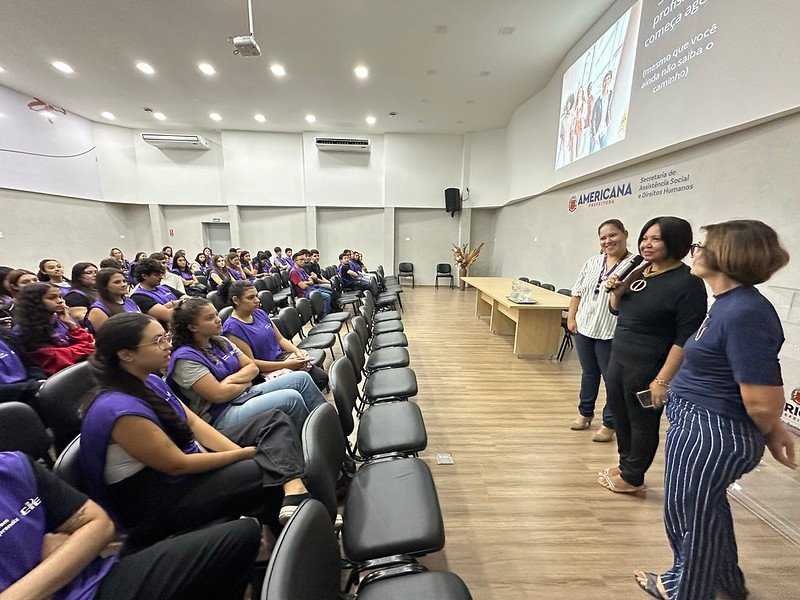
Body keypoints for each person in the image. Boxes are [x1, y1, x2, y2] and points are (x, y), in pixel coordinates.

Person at [634, 220, 795, 600]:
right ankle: (724, 581)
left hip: (713, 431)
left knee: (688, 518)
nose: (693, 251)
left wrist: (772, 430)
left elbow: (762, 397)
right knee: (704, 512)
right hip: (701, 425)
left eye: (699, 246)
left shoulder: (746, 312)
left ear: (725, 255)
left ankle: (686, 589)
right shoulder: (728, 305)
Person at [0, 450, 262, 600]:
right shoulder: (116, 408)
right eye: (156, 347)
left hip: (96, 581)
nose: (167, 349)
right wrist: (63, 549)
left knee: (242, 536)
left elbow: (100, 525)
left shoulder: (13, 465)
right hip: (83, 575)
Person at [599, 216, 707, 493]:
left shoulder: (688, 283)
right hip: (620, 358)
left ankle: (634, 477)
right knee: (620, 415)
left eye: (655, 238)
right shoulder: (641, 271)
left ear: (676, 242)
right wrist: (617, 293)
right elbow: (617, 310)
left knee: (642, 421)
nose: (647, 244)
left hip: (649, 366)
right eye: (645, 237)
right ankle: (626, 465)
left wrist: (661, 381)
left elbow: (686, 338)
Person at [166, 297, 323, 435]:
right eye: (209, 318)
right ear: (193, 327)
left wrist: (231, 382)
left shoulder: (220, 341)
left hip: (241, 394)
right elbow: (218, 395)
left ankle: (329, 431)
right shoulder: (185, 359)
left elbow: (252, 368)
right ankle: (314, 449)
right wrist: (244, 381)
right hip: (219, 415)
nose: (218, 319)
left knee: (301, 379)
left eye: (216, 314)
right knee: (291, 399)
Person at [567, 219, 636, 442]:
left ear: (625, 234)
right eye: (603, 237)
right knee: (588, 373)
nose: (608, 241)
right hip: (586, 326)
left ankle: (610, 423)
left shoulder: (635, 265)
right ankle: (585, 413)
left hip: (612, 331)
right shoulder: (593, 262)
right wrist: (572, 316)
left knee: (612, 379)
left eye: (613, 235)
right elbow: (578, 291)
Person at [220, 280, 329, 392]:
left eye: (256, 296)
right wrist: (286, 365)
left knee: (321, 378)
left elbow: (280, 339)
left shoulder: (259, 313)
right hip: (264, 372)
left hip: (282, 360)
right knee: (308, 385)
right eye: (251, 297)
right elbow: (252, 363)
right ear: (236, 300)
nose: (257, 300)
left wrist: (297, 352)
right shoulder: (232, 328)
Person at [13, 282, 95, 376]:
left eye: (60, 296)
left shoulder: (63, 320)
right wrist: (86, 347)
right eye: (52, 298)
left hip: (80, 368)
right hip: (56, 377)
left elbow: (90, 342)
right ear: (35, 302)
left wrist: (71, 325)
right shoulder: (24, 331)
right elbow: (58, 358)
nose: (60, 301)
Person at [130, 258, 186, 327]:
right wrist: (177, 302)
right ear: (144, 276)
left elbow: (187, 298)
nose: (161, 277)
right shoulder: (138, 297)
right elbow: (168, 316)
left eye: (161, 274)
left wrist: (170, 305)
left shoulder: (165, 287)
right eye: (156, 275)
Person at [0, 327, 46, 407]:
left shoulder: (4, 334)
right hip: (8, 402)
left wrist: (39, 380)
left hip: (30, 390)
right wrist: (29, 388)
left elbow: (30, 365)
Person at [86, 267, 141, 333]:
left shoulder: (130, 301)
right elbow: (109, 337)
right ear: (104, 286)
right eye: (117, 282)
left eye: (124, 281)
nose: (123, 285)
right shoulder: (98, 310)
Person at [591, 70, 614, 152]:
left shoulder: (610, 94)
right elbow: (593, 117)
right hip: (596, 130)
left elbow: (608, 109)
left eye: (608, 79)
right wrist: (594, 133)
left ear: (610, 81)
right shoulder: (598, 96)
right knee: (591, 152)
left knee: (605, 152)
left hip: (603, 129)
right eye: (605, 78)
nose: (606, 81)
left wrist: (609, 120)